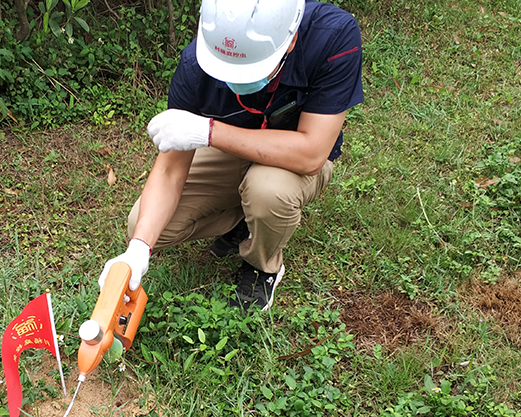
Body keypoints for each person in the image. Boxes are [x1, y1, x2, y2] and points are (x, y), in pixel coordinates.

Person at [99, 0, 364, 311]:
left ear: (290, 40)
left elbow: (311, 154)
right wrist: (138, 250)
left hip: (293, 158)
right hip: (230, 150)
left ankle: (263, 265)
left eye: (251, 68)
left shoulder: (333, 35)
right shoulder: (196, 63)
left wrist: (209, 132)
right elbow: (171, 170)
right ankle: (244, 218)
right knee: (142, 225)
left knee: (268, 191)